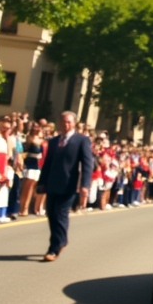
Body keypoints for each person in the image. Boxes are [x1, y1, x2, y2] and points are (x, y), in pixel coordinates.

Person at [36, 111, 94, 261]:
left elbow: (87, 164)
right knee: (51, 214)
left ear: (74, 123)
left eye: (68, 122)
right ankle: (61, 240)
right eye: (63, 122)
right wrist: (42, 182)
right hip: (52, 183)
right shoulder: (54, 141)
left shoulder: (82, 140)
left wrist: (85, 185)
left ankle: (54, 248)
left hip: (69, 185)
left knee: (61, 214)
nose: (65, 124)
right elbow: (47, 163)